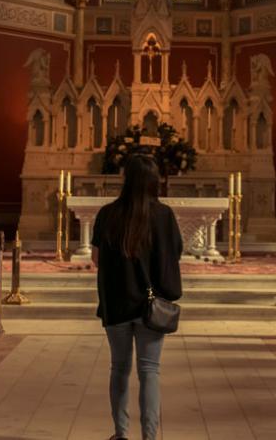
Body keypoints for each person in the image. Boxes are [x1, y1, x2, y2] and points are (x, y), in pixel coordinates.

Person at [91, 155, 183, 440]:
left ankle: (120, 433)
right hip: (150, 306)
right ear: (154, 181)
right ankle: (150, 437)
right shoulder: (163, 215)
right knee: (150, 370)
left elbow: (96, 259)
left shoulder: (107, 214)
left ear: (126, 179)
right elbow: (174, 254)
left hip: (117, 303)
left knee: (119, 368)